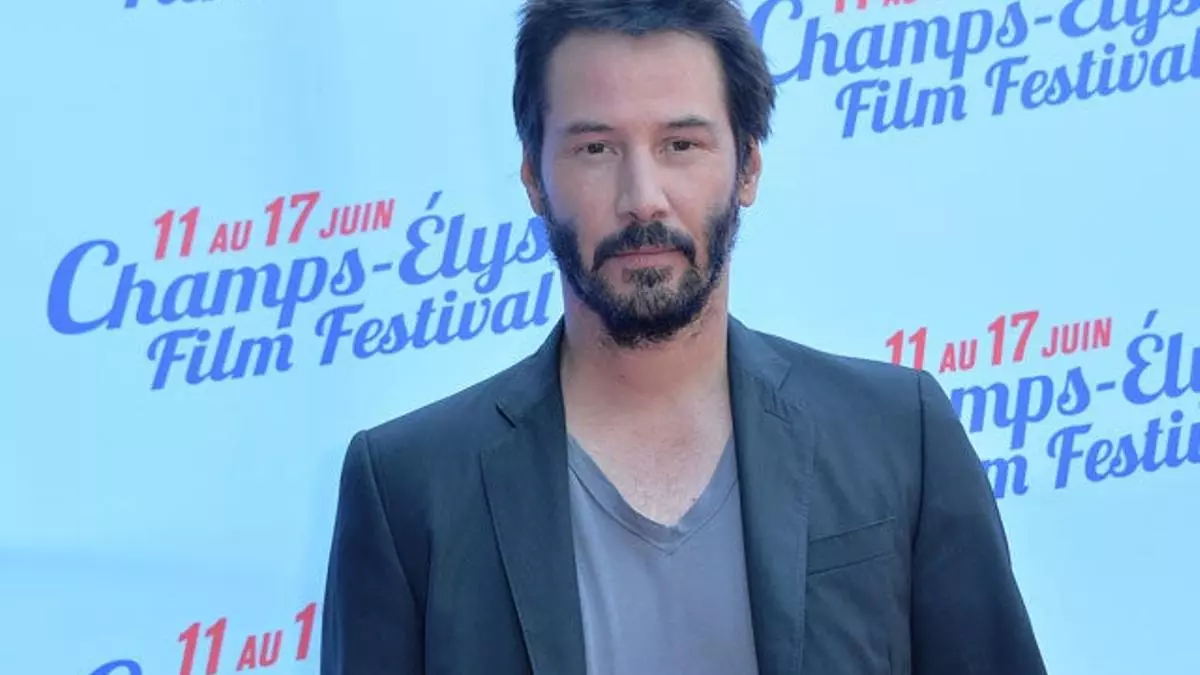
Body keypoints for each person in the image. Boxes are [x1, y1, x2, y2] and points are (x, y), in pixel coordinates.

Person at [320, 0, 1048, 673]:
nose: (643, 198)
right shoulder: (409, 487)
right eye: (596, 149)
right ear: (534, 179)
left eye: (680, 143)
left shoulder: (897, 433)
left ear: (748, 165)